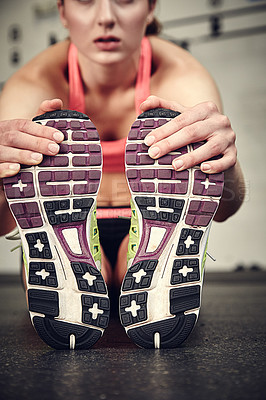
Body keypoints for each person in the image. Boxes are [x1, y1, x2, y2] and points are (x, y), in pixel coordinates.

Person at [0, 0, 244, 349]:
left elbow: (222, 207)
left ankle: (132, 258)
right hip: (72, 228)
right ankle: (112, 268)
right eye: (86, 0)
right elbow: (3, 221)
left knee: (125, 257)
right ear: (63, 12)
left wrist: (226, 165)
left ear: (149, 8)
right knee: (85, 264)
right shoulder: (32, 83)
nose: (106, 18)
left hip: (143, 225)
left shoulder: (182, 77)